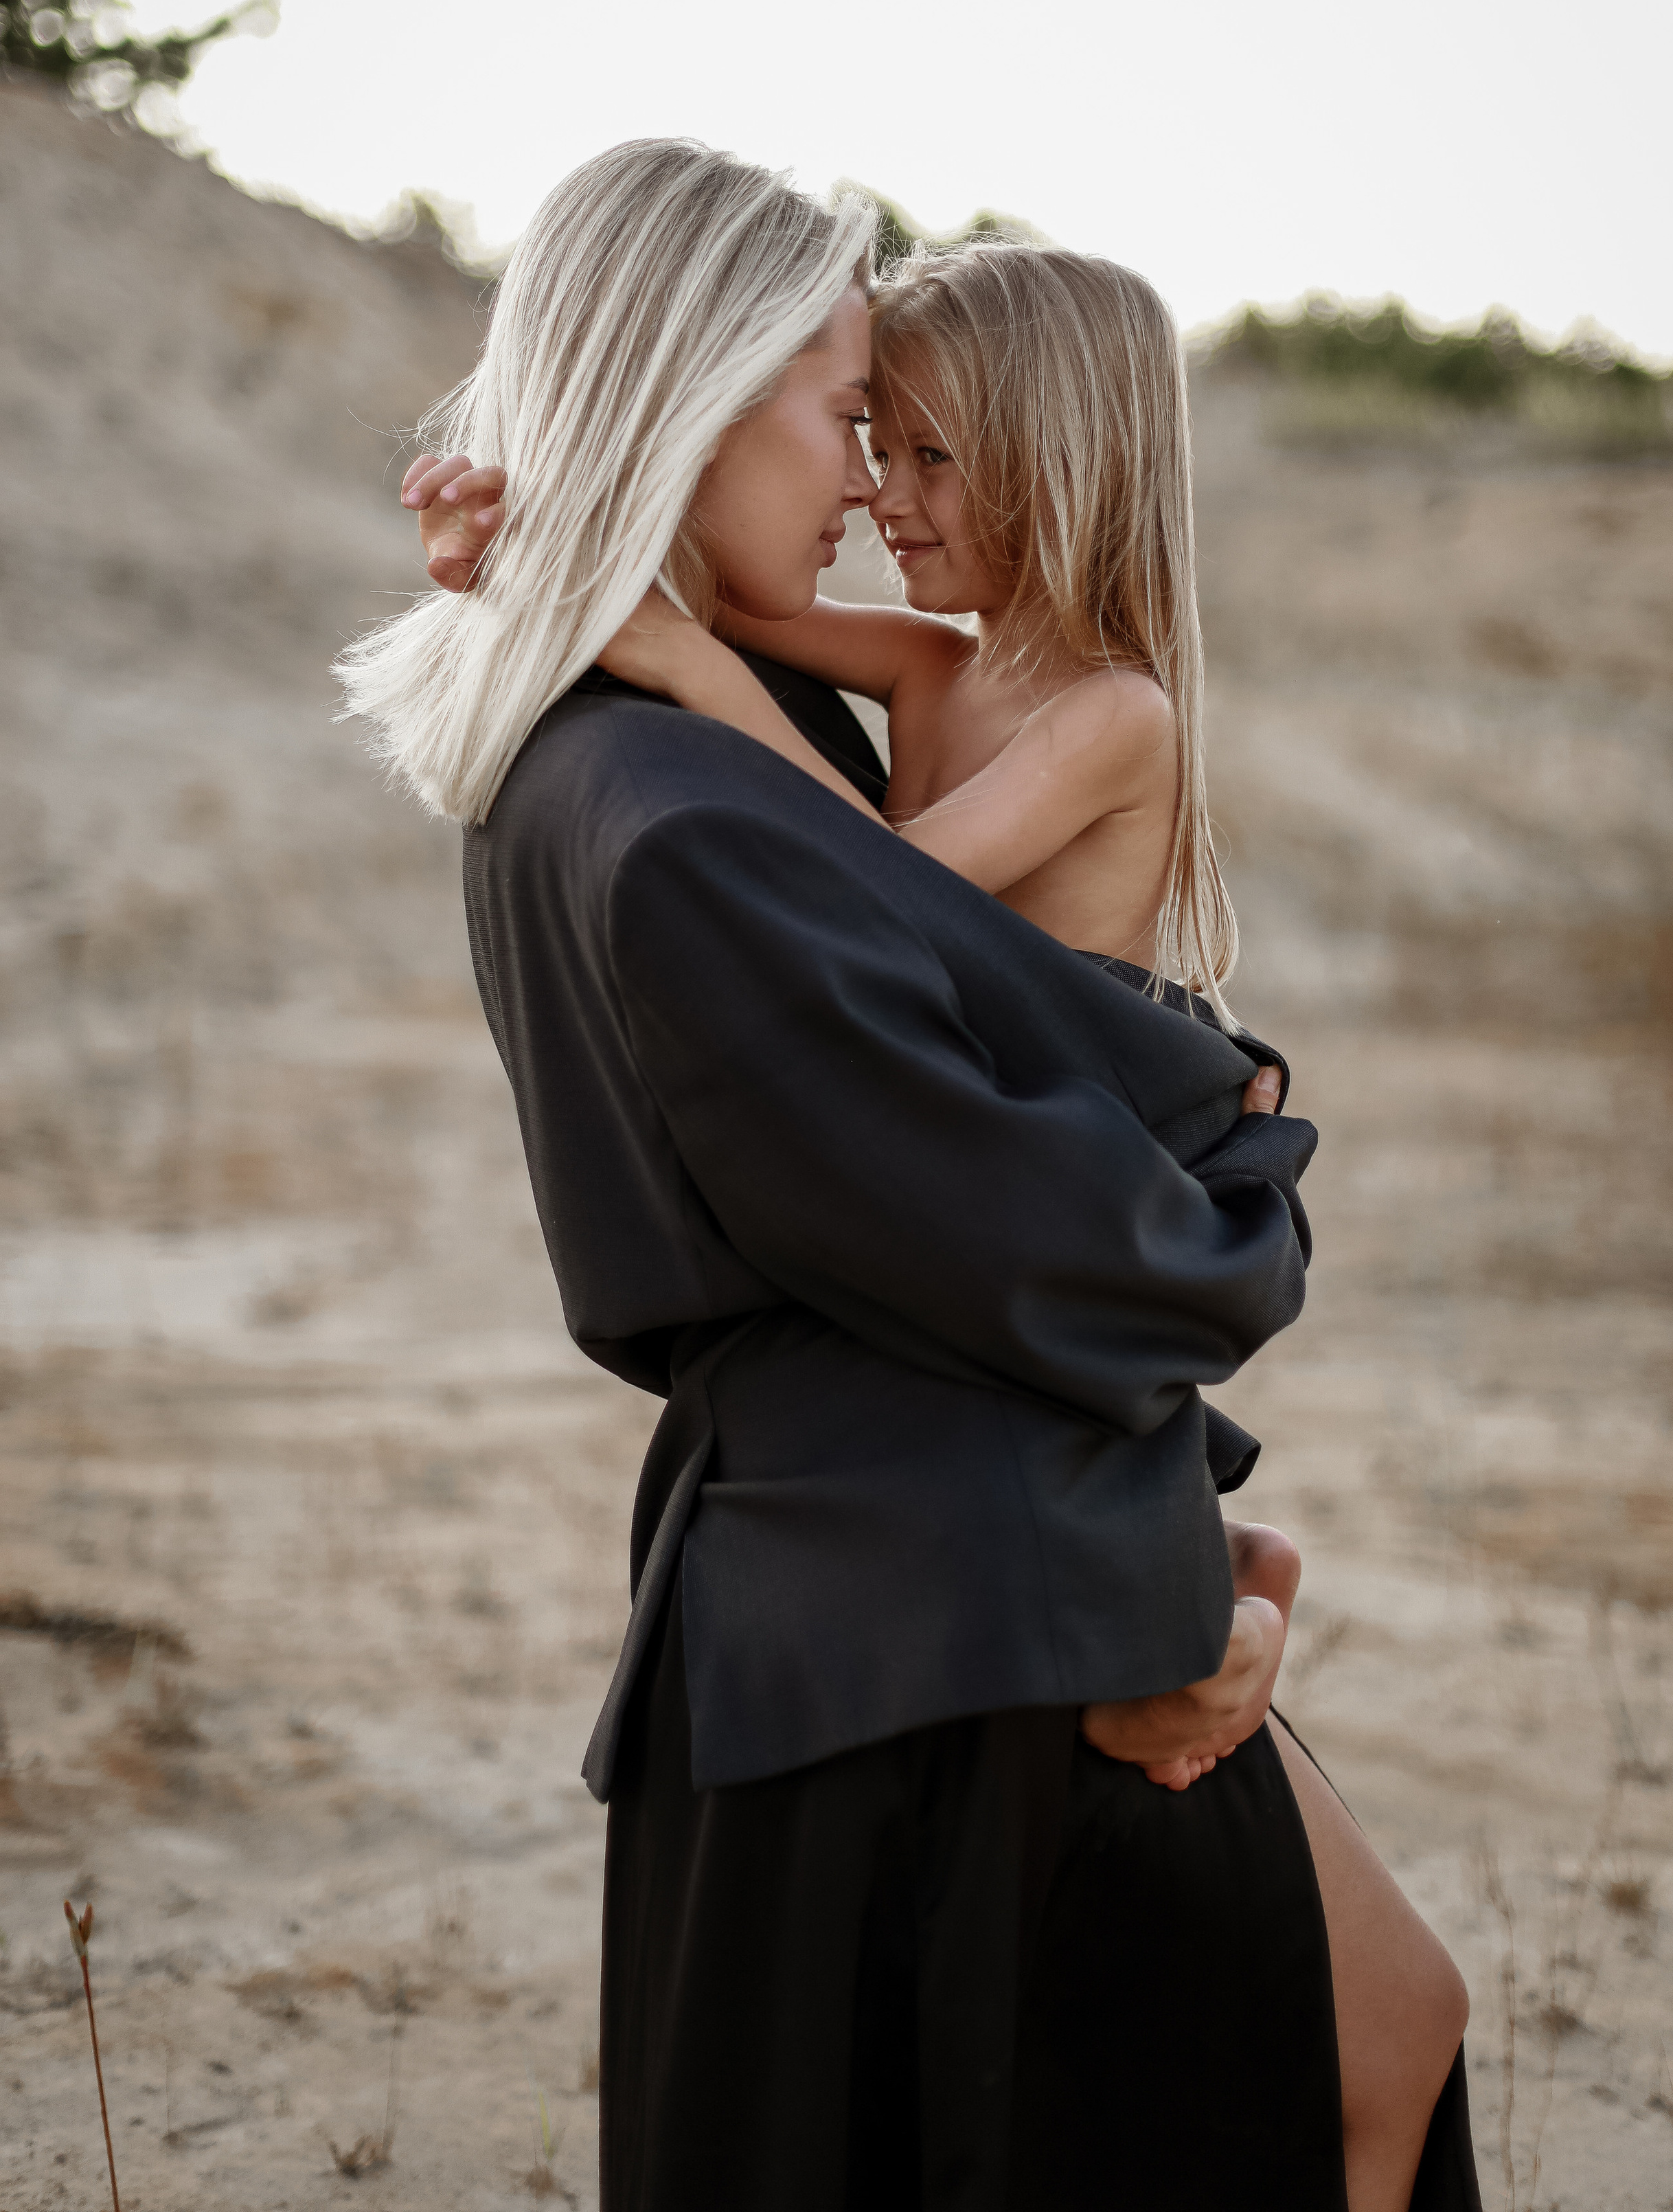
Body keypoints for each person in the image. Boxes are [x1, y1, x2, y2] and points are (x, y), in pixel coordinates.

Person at [356, 139, 1479, 2211]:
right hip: (962, 1561)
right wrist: (1237, 1157)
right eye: (847, 411)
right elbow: (1046, 1200)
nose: (874, 481)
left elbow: (895, 924)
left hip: (982, 1513)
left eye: (907, 433)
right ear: (701, 401)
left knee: (1380, 2030)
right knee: (1325, 2055)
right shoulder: (698, 808)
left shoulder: (817, 735)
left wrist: (573, 569)